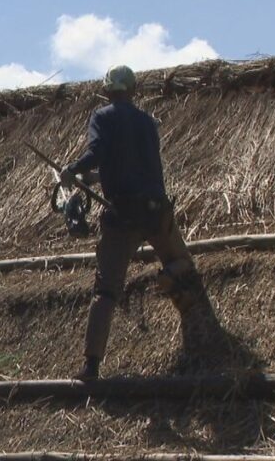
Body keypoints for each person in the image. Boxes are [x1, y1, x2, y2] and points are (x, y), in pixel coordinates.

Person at [59, 65, 201, 382]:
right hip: (156, 210)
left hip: (122, 215)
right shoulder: (148, 123)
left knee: (106, 290)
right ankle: (170, 278)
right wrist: (95, 178)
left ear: (108, 90)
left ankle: (91, 366)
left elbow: (98, 152)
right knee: (183, 261)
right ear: (133, 90)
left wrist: (72, 170)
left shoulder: (103, 116)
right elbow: (136, 168)